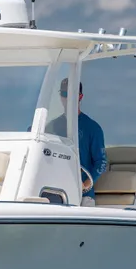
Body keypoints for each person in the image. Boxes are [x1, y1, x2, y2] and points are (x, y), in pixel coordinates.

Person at [46, 78, 107, 206]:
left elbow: (101, 162)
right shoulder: (51, 127)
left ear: (80, 96)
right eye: (64, 94)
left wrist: (85, 185)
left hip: (84, 196)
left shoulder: (93, 128)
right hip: (56, 193)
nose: (67, 98)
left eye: (71, 94)